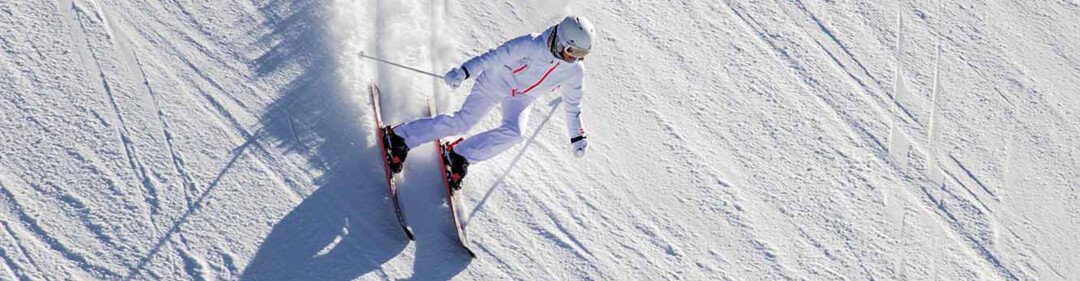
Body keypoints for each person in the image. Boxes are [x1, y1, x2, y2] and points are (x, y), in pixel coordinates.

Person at [381, 15, 595, 189]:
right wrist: (464, 72)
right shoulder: (530, 44)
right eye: (572, 51)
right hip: (496, 81)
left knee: (515, 133)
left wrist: (577, 136)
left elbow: (573, 104)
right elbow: (493, 57)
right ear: (561, 42)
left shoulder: (574, 70)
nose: (574, 58)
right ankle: (400, 137)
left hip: (523, 96)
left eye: (581, 54)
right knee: (463, 122)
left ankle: (459, 155)